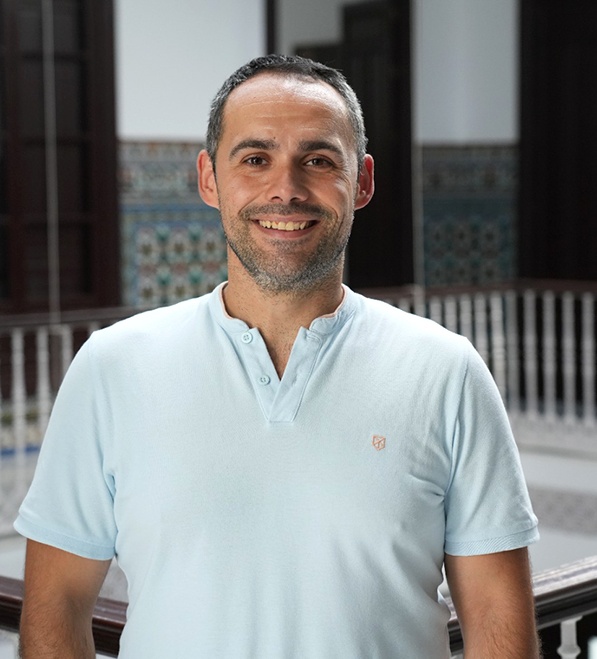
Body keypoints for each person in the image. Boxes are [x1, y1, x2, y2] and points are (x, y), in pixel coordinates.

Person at [15, 54, 540, 658]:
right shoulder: (111, 368)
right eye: (255, 159)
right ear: (209, 178)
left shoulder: (446, 372)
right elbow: (56, 605)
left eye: (318, 160)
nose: (285, 190)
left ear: (362, 181)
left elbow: (497, 617)